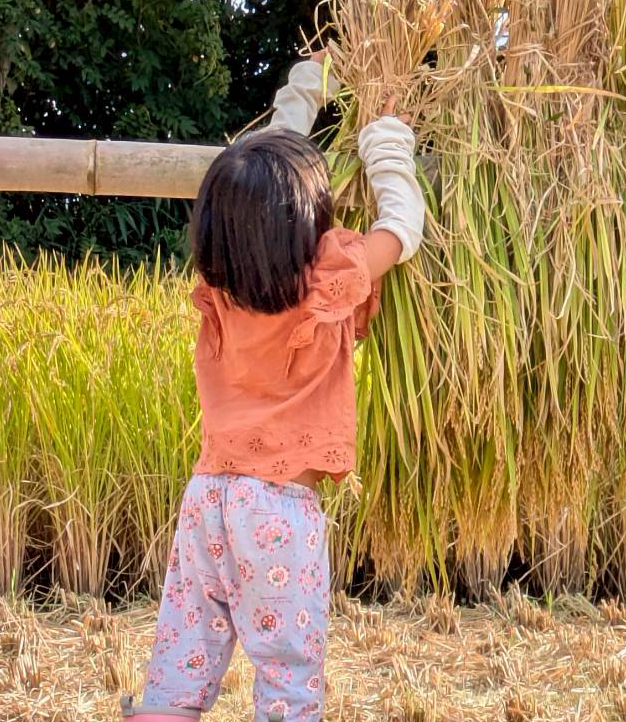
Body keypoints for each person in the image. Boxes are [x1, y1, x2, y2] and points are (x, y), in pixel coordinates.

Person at [120, 48, 425, 722]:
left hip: (208, 500)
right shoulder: (328, 275)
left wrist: (304, 85)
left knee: (184, 652)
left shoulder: (217, 289)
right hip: (277, 516)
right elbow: (403, 225)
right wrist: (386, 141)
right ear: (303, 219)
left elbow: (254, 172)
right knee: (286, 674)